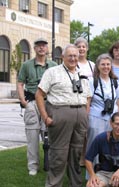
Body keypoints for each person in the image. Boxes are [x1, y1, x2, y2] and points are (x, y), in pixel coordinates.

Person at [35, 44, 91, 187]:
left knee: (76, 153)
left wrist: (85, 113)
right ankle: (54, 184)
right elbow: (39, 95)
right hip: (60, 114)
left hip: (80, 116)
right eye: (70, 55)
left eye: (75, 56)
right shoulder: (52, 72)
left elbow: (88, 97)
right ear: (63, 57)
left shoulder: (83, 75)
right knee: (58, 155)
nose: (73, 58)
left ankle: (75, 184)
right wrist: (45, 117)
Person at [17, 37, 57, 176]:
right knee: (32, 135)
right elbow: (20, 83)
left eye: (44, 45)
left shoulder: (53, 65)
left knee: (51, 136)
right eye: (38, 45)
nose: (41, 48)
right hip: (32, 103)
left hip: (49, 103)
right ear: (34, 48)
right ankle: (33, 166)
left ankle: (51, 164)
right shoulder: (27, 65)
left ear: (47, 49)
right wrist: (23, 100)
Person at [86, 53, 119, 167]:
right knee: (94, 145)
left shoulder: (115, 82)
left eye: (108, 64)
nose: (106, 67)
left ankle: (109, 171)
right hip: (96, 118)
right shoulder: (92, 81)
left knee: (111, 146)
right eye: (103, 64)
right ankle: (92, 175)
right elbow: (88, 102)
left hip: (112, 119)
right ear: (97, 66)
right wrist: (86, 120)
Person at [85, 112, 119, 187]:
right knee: (91, 185)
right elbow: (88, 159)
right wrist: (92, 175)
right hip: (104, 173)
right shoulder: (101, 138)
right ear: (111, 123)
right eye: (117, 124)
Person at [74, 36, 95, 166]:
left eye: (83, 46)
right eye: (79, 46)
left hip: (91, 101)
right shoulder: (72, 63)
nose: (81, 49)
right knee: (78, 132)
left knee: (88, 131)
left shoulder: (92, 65)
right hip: (77, 100)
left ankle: (85, 158)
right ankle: (76, 158)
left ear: (87, 49)